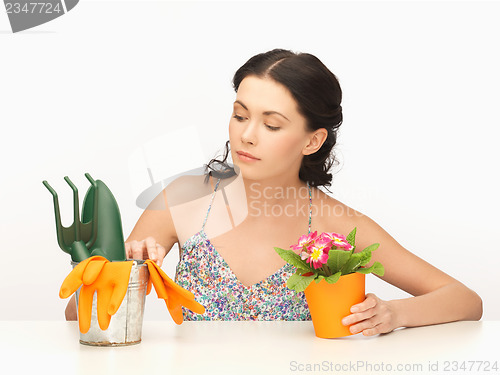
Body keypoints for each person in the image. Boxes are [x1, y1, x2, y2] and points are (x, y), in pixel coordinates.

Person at [65, 48, 482, 335]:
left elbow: (465, 300)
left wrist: (392, 314)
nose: (246, 136)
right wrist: (121, 274)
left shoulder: (338, 224)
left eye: (272, 124)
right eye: (240, 115)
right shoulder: (184, 199)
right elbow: (77, 318)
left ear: (312, 141)